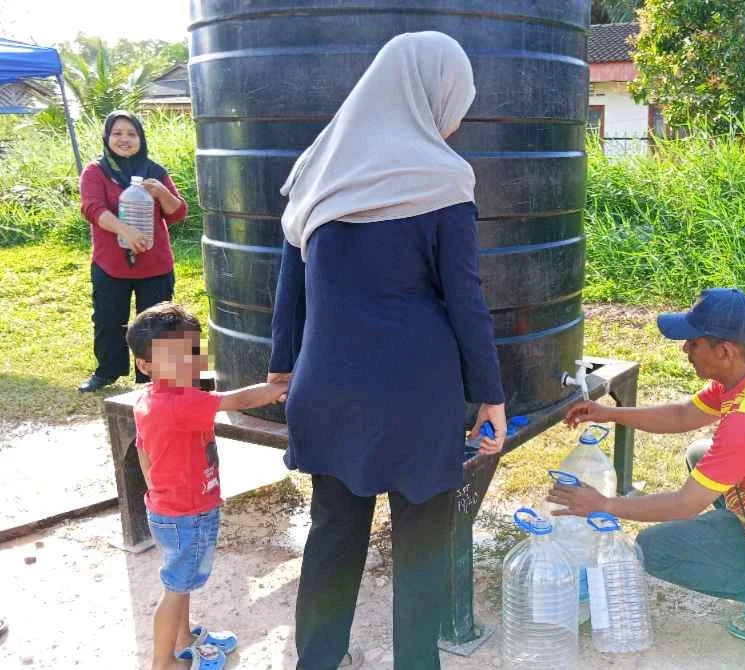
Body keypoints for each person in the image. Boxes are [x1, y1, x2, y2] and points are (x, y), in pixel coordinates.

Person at [268, 31, 507, 670]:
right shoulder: (443, 178)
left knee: (332, 538)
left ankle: (316, 660)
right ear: (433, 92)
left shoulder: (316, 167)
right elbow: (465, 299)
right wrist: (491, 393)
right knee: (422, 548)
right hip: (417, 396)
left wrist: (281, 369)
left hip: (328, 388)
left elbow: (289, 289)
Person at [548, 288, 745, 643]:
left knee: (655, 547)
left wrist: (603, 504)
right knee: (701, 453)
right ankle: (736, 543)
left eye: (693, 342)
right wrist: (609, 412)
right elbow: (684, 413)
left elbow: (686, 504)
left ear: (724, 351)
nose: (685, 349)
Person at [126, 302, 288, 670]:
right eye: (173, 356)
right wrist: (279, 385)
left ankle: (184, 641)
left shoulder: (148, 399)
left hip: (167, 510)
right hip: (188, 515)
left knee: (180, 583)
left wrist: (160, 493)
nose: (187, 363)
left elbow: (143, 452)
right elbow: (241, 400)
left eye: (192, 351)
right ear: (145, 364)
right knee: (176, 588)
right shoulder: (181, 401)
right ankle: (162, 663)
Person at [78, 110, 189, 393]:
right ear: (107, 138)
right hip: (110, 262)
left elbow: (178, 214)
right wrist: (125, 230)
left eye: (131, 133)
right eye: (117, 133)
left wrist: (162, 193)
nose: (124, 139)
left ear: (141, 138)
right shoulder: (96, 172)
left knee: (158, 322)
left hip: (155, 263)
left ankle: (154, 378)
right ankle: (107, 371)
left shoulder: (155, 171)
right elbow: (92, 209)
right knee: (107, 318)